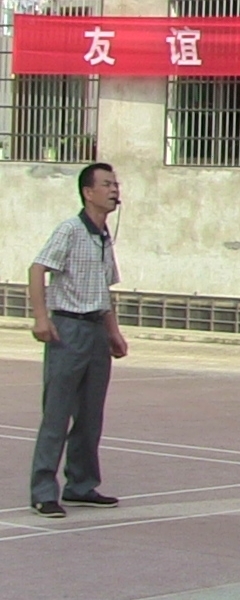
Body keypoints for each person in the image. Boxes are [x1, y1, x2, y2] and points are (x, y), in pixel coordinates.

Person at [26, 162, 128, 518]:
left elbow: (104, 288)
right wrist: (41, 318)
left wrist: (113, 331)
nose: (114, 190)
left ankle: (81, 484)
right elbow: (38, 268)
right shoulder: (70, 230)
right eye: (107, 184)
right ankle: (43, 490)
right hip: (68, 329)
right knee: (57, 413)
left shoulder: (103, 237)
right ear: (88, 192)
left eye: (115, 184)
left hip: (96, 329)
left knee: (90, 414)